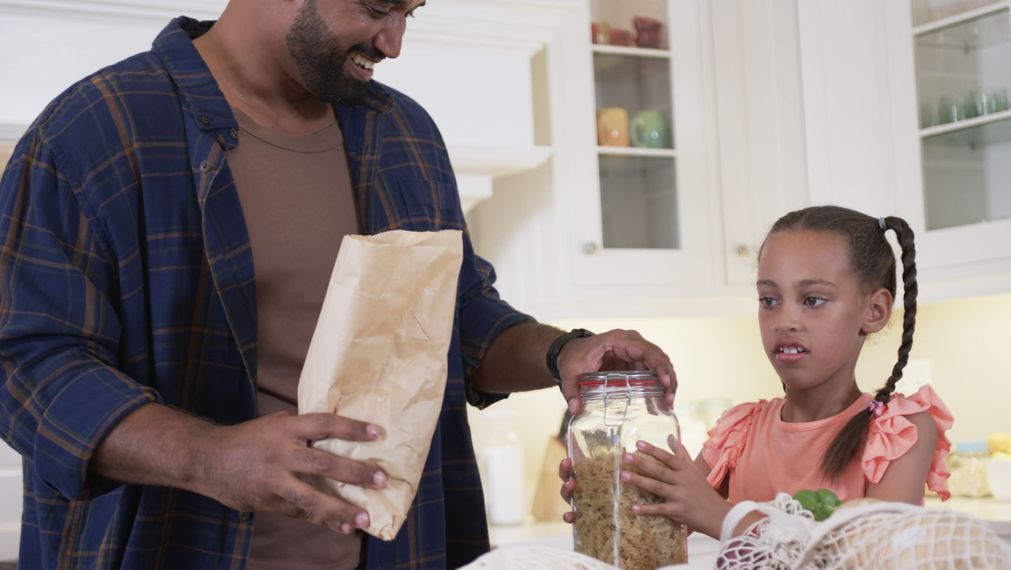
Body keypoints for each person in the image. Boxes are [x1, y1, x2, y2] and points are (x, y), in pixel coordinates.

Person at [0, 1, 677, 568]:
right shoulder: (95, 129)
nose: (394, 42)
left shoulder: (404, 133)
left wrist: (563, 353)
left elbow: (457, 315)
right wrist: (211, 456)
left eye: (410, 12)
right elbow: (26, 366)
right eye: (378, 6)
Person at [560, 205, 952, 539]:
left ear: (875, 311)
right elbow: (664, 526)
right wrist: (612, 496)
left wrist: (722, 515)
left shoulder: (900, 433)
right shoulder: (740, 432)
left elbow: (870, 555)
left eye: (812, 300)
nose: (785, 320)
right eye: (769, 299)